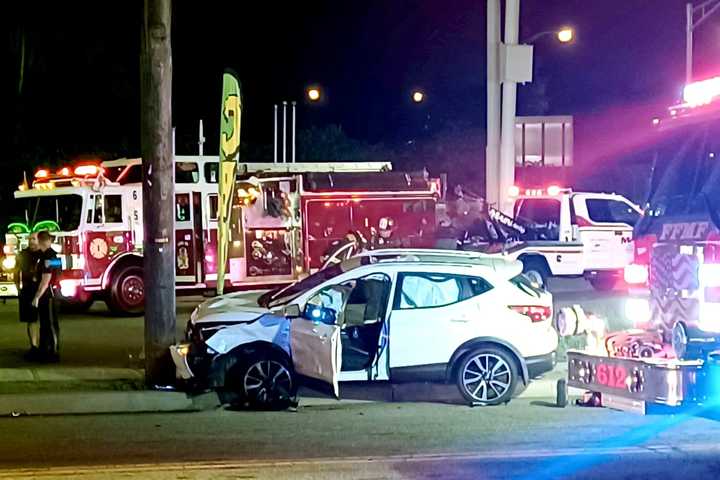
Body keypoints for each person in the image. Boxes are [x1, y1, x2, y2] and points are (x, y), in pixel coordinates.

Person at [33, 231, 60, 362]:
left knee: (49, 324)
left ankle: (53, 353)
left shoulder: (47, 257)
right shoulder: (52, 255)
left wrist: (37, 296)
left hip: (48, 295)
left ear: (40, 241)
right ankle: (46, 351)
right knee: (47, 324)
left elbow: (46, 279)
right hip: (52, 293)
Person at [16, 232, 40, 360]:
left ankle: (47, 346)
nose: (31, 241)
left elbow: (56, 269)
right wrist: (18, 288)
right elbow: (16, 271)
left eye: (34, 239)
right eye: (30, 239)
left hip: (42, 291)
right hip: (27, 291)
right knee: (31, 320)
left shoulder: (45, 253)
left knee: (45, 321)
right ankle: (34, 347)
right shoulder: (22, 254)